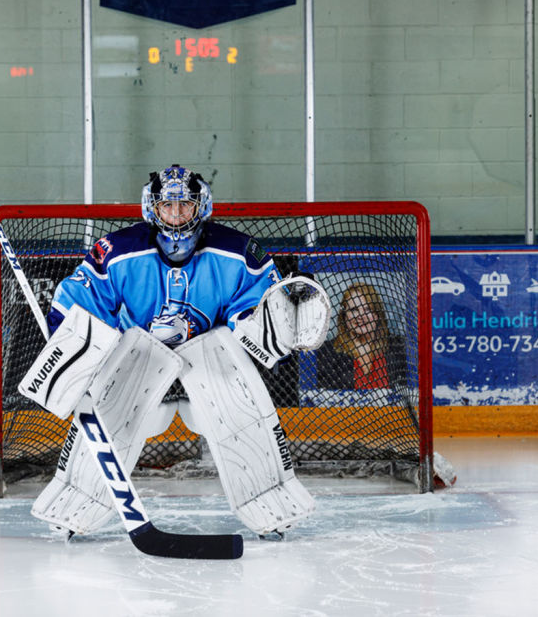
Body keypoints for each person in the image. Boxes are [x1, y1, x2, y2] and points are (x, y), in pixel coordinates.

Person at [28, 165, 325, 539]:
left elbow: (258, 314)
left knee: (238, 400)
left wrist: (274, 329)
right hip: (140, 362)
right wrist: (74, 354)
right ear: (152, 209)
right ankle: (76, 499)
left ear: (201, 207)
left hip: (209, 363)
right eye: (168, 207)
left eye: (184, 206)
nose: (176, 215)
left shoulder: (239, 253)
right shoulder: (118, 251)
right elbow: (78, 301)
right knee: (108, 408)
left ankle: (269, 499)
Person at [315, 282, 408, 393]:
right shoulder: (326, 354)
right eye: (354, 310)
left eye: (368, 309)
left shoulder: (398, 348)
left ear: (377, 314)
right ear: (344, 316)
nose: (361, 316)